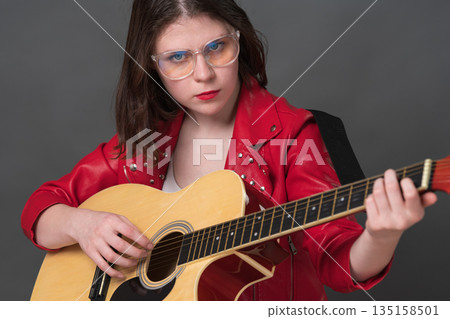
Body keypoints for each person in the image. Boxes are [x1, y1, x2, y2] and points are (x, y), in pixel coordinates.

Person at [21, 0, 437, 301]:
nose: (203, 74)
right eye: (178, 58)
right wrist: (81, 225)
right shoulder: (146, 141)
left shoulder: (293, 135)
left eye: (217, 47)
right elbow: (41, 208)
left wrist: (382, 234)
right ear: (152, 68)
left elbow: (341, 264)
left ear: (241, 40)